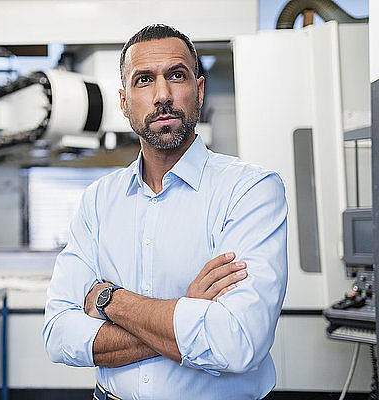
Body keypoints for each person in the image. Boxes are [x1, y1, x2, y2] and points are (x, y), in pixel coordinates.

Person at [43, 24, 288, 400]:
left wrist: (110, 300)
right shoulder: (98, 201)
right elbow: (59, 335)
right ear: (124, 103)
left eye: (176, 75)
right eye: (144, 80)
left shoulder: (250, 190)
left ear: (199, 90)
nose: (162, 95)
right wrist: (187, 314)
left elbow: (237, 344)